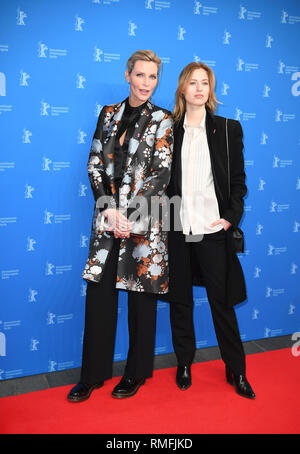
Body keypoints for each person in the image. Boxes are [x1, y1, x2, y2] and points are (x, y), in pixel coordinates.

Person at [67, 50, 173, 402]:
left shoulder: (163, 119)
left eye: (152, 77)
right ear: (128, 75)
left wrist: (132, 216)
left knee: (141, 302)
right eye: (140, 75)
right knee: (99, 299)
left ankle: (136, 373)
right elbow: (95, 161)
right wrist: (109, 209)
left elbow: (161, 174)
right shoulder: (108, 114)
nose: (146, 83)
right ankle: (92, 375)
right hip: (108, 221)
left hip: (143, 225)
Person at [166, 62, 255, 399]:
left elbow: (237, 183)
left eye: (205, 83)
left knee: (222, 301)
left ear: (210, 89)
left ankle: (237, 368)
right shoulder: (167, 129)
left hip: (212, 228)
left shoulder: (229, 129)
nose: (200, 89)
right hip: (177, 228)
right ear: (182, 89)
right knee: (181, 301)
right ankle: (184, 362)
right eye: (193, 83)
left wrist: (230, 217)